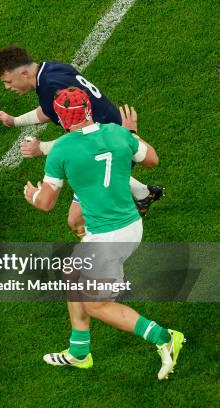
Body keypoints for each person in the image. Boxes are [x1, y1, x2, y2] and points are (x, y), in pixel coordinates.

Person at [23, 87, 184, 380]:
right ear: (88, 109)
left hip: (108, 237)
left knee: (95, 304)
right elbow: (152, 160)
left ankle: (164, 337)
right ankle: (79, 352)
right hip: (129, 224)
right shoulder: (117, 133)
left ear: (60, 116)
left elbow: (45, 204)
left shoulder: (61, 149)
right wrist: (131, 134)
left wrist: (31, 194)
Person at [0, 45, 163, 234]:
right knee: (107, 174)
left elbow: (80, 137)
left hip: (105, 143)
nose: (7, 87)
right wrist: (14, 121)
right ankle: (144, 194)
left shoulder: (50, 87)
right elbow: (49, 110)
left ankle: (101, 250)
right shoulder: (52, 70)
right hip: (112, 135)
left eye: (8, 81)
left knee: (76, 219)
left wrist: (43, 148)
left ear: (23, 73)